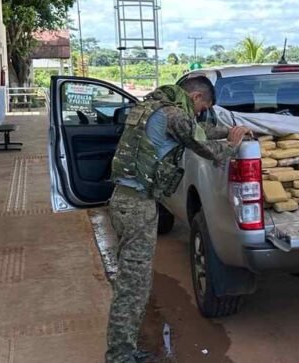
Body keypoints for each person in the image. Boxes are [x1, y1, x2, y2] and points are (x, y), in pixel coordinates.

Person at [105, 75, 249, 363]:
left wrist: (227, 130)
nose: (200, 114)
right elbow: (204, 146)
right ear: (195, 97)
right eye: (202, 108)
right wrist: (233, 144)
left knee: (132, 283)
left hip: (124, 201)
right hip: (137, 207)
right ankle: (120, 356)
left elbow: (200, 130)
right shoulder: (175, 115)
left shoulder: (155, 107)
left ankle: (124, 350)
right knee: (133, 287)